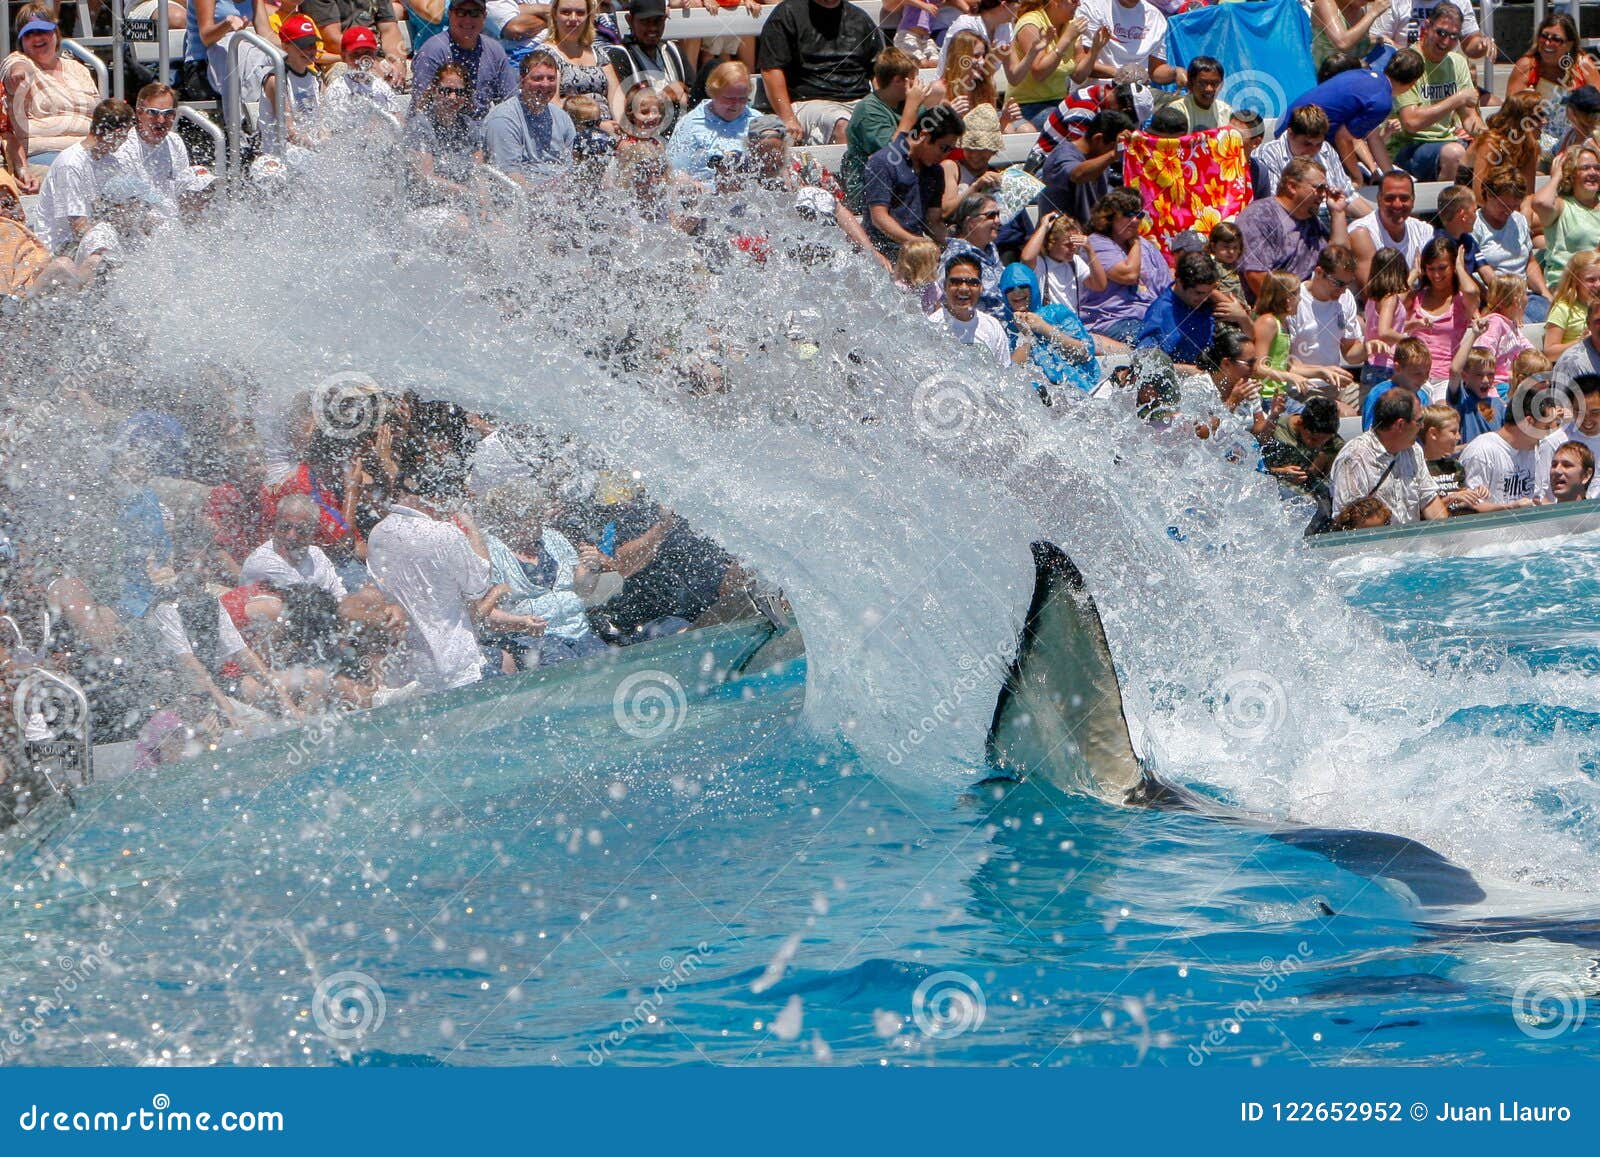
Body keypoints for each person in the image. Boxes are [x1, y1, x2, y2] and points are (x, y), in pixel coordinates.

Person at [365, 447, 499, 693]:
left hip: (410, 667)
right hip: (456, 665)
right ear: (430, 496)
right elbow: (479, 586)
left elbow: (382, 592)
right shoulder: (445, 534)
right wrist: (472, 530)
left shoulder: (377, 534)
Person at [476, 479, 606, 669]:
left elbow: (583, 590)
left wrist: (593, 568)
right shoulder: (491, 552)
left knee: (605, 664)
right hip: (530, 638)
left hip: (578, 631)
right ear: (508, 520)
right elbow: (483, 612)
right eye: (529, 515)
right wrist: (520, 623)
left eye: (538, 514)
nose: (537, 521)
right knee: (563, 666)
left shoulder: (553, 538)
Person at [1280, 49, 1422, 183]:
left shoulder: (1364, 75)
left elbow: (1373, 137)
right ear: (1412, 83)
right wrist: (1356, 177)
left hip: (1286, 125)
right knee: (1351, 186)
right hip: (1298, 141)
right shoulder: (1381, 101)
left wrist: (1389, 175)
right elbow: (1343, 138)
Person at [756, 0, 883, 145]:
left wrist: (885, 109)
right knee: (843, 126)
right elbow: (771, 68)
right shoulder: (787, 13)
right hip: (809, 103)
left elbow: (879, 71)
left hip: (859, 101)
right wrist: (788, 118)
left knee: (882, 125)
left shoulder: (861, 18)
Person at [1, 6, 100, 193]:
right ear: (21, 41)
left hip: (89, 153)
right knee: (75, 177)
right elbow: (15, 69)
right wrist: (18, 75)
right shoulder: (19, 61)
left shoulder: (79, 69)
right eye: (29, 34)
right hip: (46, 156)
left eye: (43, 31)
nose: (37, 38)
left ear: (55, 33)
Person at [1388, 1, 1484, 182]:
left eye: (1454, 36)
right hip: (1409, 146)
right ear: (1427, 27)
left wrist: (1488, 136)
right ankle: (1441, 209)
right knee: (1455, 153)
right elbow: (1411, 122)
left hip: (1448, 142)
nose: (1446, 41)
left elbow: (1469, 118)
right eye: (1441, 32)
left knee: (1493, 151)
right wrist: (1457, 99)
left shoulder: (1458, 62)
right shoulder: (1408, 61)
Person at [1236, 157, 1350, 300]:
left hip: (1313, 304)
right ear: (1291, 186)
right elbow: (1256, 276)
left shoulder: (1312, 221)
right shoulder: (1259, 217)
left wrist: (1338, 213)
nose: (1323, 195)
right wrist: (1293, 310)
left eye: (1325, 189)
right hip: (1277, 309)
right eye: (1319, 188)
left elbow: (1340, 264)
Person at [1330, 386, 1449, 523]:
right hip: (1374, 542)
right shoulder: (1355, 457)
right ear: (1400, 425)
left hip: (1413, 541)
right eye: (1419, 421)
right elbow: (1348, 519)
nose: (1422, 426)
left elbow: (1429, 501)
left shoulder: (1414, 451)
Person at [862, 103, 962, 259]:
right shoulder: (883, 162)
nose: (946, 155)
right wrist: (917, 242)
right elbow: (879, 218)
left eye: (951, 150)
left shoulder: (936, 171)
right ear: (924, 135)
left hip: (915, 255)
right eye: (943, 148)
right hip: (880, 253)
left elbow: (932, 221)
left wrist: (953, 245)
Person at [34, 99, 135, 255]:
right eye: (125, 134)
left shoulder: (110, 162)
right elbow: (79, 228)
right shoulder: (70, 164)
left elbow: (119, 210)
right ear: (117, 133)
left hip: (88, 240)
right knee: (104, 250)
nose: (125, 141)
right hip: (59, 248)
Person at [1078, 186, 1170, 343]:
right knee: (1152, 339)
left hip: (1150, 317)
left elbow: (1165, 287)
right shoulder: (1096, 243)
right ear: (1110, 217)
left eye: (1139, 215)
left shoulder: (1147, 246)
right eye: (1128, 215)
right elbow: (1129, 275)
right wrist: (1135, 243)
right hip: (1111, 320)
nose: (1135, 221)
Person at [1506, 12, 1600, 162]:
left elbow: (1597, 112)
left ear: (1569, 44)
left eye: (1556, 39)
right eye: (1544, 36)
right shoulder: (1527, 66)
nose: (1547, 43)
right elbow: (1512, 114)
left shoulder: (1584, 66)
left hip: (1576, 139)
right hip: (1535, 141)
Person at [842, 48, 927, 212]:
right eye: (914, 80)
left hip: (904, 180)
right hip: (869, 188)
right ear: (897, 81)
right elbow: (891, 154)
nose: (918, 85)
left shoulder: (907, 104)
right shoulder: (868, 110)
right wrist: (911, 108)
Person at [997, 260, 1099, 396]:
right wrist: (1026, 335)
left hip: (1078, 389)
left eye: (1022, 286)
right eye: (1010, 289)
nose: (1017, 291)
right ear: (1004, 295)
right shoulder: (1006, 328)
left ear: (1033, 287)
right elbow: (1010, 373)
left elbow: (1085, 352)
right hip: (1039, 395)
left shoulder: (1057, 313)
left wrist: (1044, 328)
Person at [409, 0, 519, 125]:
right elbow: (420, 107)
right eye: (461, 13)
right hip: (435, 131)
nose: (468, 20)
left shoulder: (495, 51)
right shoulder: (432, 52)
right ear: (450, 14)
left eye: (475, 13)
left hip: (479, 132)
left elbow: (510, 104)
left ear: (484, 16)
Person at [1251, 104, 1369, 217]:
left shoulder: (1326, 149)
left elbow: (1349, 197)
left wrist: (1377, 223)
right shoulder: (1267, 154)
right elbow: (1276, 206)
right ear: (1291, 134)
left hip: (1331, 216)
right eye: (1307, 144)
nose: (1313, 150)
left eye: (1318, 144)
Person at [1135, 251, 1247, 370]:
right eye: (1199, 293)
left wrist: (1242, 317)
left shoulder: (1206, 301)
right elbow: (1145, 363)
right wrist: (1197, 371)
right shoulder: (1160, 315)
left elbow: (1249, 338)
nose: (1204, 298)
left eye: (1209, 292)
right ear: (1179, 282)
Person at [482, 50, 576, 184]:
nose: (545, 84)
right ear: (522, 81)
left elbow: (573, 166)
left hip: (560, 193)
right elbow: (507, 175)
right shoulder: (503, 118)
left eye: (551, 78)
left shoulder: (562, 118)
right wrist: (542, 196)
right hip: (522, 195)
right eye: (537, 78)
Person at [1459, 380, 1553, 509]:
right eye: (1546, 427)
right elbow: (1469, 506)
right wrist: (1509, 507)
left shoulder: (1533, 450)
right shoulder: (1481, 451)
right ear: (1529, 422)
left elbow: (1537, 497)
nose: (1548, 434)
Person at [403, 62, 483, 214]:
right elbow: (424, 179)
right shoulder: (420, 126)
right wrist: (464, 192)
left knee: (497, 229)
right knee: (464, 227)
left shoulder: (469, 126)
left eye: (459, 92)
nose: (453, 97)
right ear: (434, 91)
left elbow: (479, 175)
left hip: (461, 204)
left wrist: (486, 207)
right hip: (423, 206)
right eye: (446, 91)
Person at [1290, 244, 1364, 405]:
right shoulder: (1295, 301)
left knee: (1379, 403)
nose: (1344, 290)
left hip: (1336, 385)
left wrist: (1369, 347)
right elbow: (1284, 364)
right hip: (1302, 386)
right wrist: (1321, 372)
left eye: (1348, 283)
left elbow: (1350, 353)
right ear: (1319, 273)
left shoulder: (1345, 298)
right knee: (1343, 413)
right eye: (1338, 283)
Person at [240, 494, 349, 600]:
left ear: (313, 532)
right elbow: (303, 606)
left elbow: (342, 598)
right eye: (285, 527)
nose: (291, 536)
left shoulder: (317, 555)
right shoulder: (262, 562)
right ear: (275, 525)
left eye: (301, 529)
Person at [1009, 0, 1098, 129]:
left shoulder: (1070, 25)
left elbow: (1078, 75)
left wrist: (1095, 49)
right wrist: (1066, 39)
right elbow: (1039, 73)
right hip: (1026, 105)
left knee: (1094, 117)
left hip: (1058, 103)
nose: (1078, 4)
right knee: (1070, 124)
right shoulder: (1030, 24)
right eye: (1074, 1)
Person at [1472, 169, 1547, 323]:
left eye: (1513, 206)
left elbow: (1530, 262)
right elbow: (1469, 273)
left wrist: (1545, 293)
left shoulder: (1519, 220)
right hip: (1493, 299)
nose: (1508, 211)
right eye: (1503, 205)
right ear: (1488, 195)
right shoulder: (1474, 226)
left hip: (1525, 296)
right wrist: (1498, 301)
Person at [1405, 235, 1478, 389]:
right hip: (1414, 376)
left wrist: (1459, 267)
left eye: (1442, 268)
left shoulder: (1461, 300)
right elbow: (1394, 303)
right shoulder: (1416, 297)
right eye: (1431, 269)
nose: (1436, 275)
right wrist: (1414, 273)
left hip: (1446, 377)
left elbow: (1472, 291)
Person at [1036, 107, 1131, 224]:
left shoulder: (1101, 158)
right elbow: (1077, 175)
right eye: (1113, 146)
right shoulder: (1063, 155)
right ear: (1098, 139)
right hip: (1062, 236)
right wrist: (1112, 155)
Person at [665, 60, 752, 181]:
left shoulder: (757, 122)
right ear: (714, 93)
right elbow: (675, 171)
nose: (736, 105)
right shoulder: (690, 124)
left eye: (742, 98)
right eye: (730, 98)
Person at [543, 0, 623, 128]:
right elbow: (553, 105)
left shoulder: (598, 53)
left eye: (580, 13)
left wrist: (621, 126)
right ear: (554, 14)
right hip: (572, 130)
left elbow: (616, 96)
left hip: (611, 128)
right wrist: (597, 125)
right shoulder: (546, 55)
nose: (573, 18)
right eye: (566, 12)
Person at [256, 12, 326, 155]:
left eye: (312, 44)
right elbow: (289, 131)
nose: (310, 50)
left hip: (308, 149)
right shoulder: (276, 79)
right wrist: (318, 148)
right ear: (285, 46)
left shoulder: (316, 79)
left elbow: (323, 124)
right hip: (281, 153)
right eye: (304, 46)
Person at [928, 252, 1015, 366]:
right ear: (945, 286)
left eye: (972, 282)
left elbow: (1004, 373)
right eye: (956, 282)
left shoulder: (993, 327)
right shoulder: (931, 326)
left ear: (981, 288)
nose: (964, 288)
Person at [608, 0, 691, 118]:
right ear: (630, 20)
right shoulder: (620, 55)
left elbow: (693, 89)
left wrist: (683, 88)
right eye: (645, 22)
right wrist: (665, 95)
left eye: (658, 21)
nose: (652, 27)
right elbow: (628, 104)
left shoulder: (673, 49)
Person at [1349, 168, 1432, 287]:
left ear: (1413, 200)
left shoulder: (1423, 230)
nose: (1397, 204)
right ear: (1378, 199)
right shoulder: (1362, 233)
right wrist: (1413, 275)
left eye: (1404, 198)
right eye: (1390, 198)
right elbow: (1373, 295)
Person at [1533, 145, 1600, 291]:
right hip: (1569, 289)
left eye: (1597, 168)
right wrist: (1557, 176)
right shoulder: (1562, 206)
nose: (1593, 172)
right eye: (1585, 168)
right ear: (1571, 174)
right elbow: (1540, 202)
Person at [302, 0, 408, 88]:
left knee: (417, 74)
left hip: (375, 53)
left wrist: (397, 62)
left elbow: (389, 30)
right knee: (346, 78)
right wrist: (368, 62)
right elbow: (332, 42)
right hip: (341, 58)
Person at [1466, 90, 1543, 207]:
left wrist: (1522, 218)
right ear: (1521, 119)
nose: (1544, 121)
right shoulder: (1490, 143)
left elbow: (1528, 195)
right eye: (1538, 116)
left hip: (1507, 208)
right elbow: (1479, 196)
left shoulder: (1530, 147)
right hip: (1473, 208)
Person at [1078, 0, 1179, 88]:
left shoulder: (1156, 17)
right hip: (1099, 89)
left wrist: (1176, 73)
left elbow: (1156, 70)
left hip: (1139, 93)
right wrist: (1118, 73)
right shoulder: (1092, 6)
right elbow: (1080, 61)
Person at [1021, 208, 1106, 312]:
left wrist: (1090, 251)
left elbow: (1099, 285)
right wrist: (1044, 227)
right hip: (1049, 323)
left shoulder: (1075, 261)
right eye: (1068, 244)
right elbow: (1026, 257)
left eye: (1075, 243)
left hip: (1071, 322)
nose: (1073, 248)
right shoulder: (1040, 263)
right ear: (1051, 244)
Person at [1260, 395, 1344, 498]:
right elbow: (1256, 468)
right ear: (1300, 423)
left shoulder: (1333, 441)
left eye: (1324, 441)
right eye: (1314, 439)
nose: (1318, 445)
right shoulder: (1277, 433)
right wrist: (1282, 473)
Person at [323, 25, 406, 127]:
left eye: (367, 53)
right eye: (355, 54)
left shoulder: (381, 86)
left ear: (374, 56)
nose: (362, 59)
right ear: (344, 57)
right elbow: (331, 129)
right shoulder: (337, 89)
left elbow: (398, 121)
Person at [940, 191, 1006, 315]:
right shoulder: (955, 255)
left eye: (998, 214)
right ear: (971, 223)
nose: (998, 221)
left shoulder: (990, 248)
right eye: (991, 215)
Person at [1536, 373, 1600, 500]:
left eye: (1595, 412)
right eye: (1579, 412)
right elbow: (1541, 494)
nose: (1586, 419)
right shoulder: (1553, 442)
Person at [1360, 335, 1431, 428]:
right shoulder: (1379, 395)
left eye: (1427, 372)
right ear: (1397, 368)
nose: (1424, 379)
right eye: (1417, 373)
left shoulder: (1423, 396)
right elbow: (1371, 432)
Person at [1543, 249, 1600, 360]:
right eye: (1591, 280)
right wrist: (1582, 342)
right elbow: (1549, 353)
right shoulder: (1564, 308)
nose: (1598, 285)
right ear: (1575, 281)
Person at [1310, 0, 1386, 70]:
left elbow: (1355, 44)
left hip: (1352, 75)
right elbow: (1342, 43)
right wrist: (1373, 13)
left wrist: (1376, 40)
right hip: (1327, 77)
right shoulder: (1325, 3)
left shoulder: (1359, 11)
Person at [1161, 55, 1229, 132]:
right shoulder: (1176, 111)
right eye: (1203, 83)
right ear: (1190, 84)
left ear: (1221, 85)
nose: (1209, 89)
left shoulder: (1225, 111)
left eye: (1215, 83)